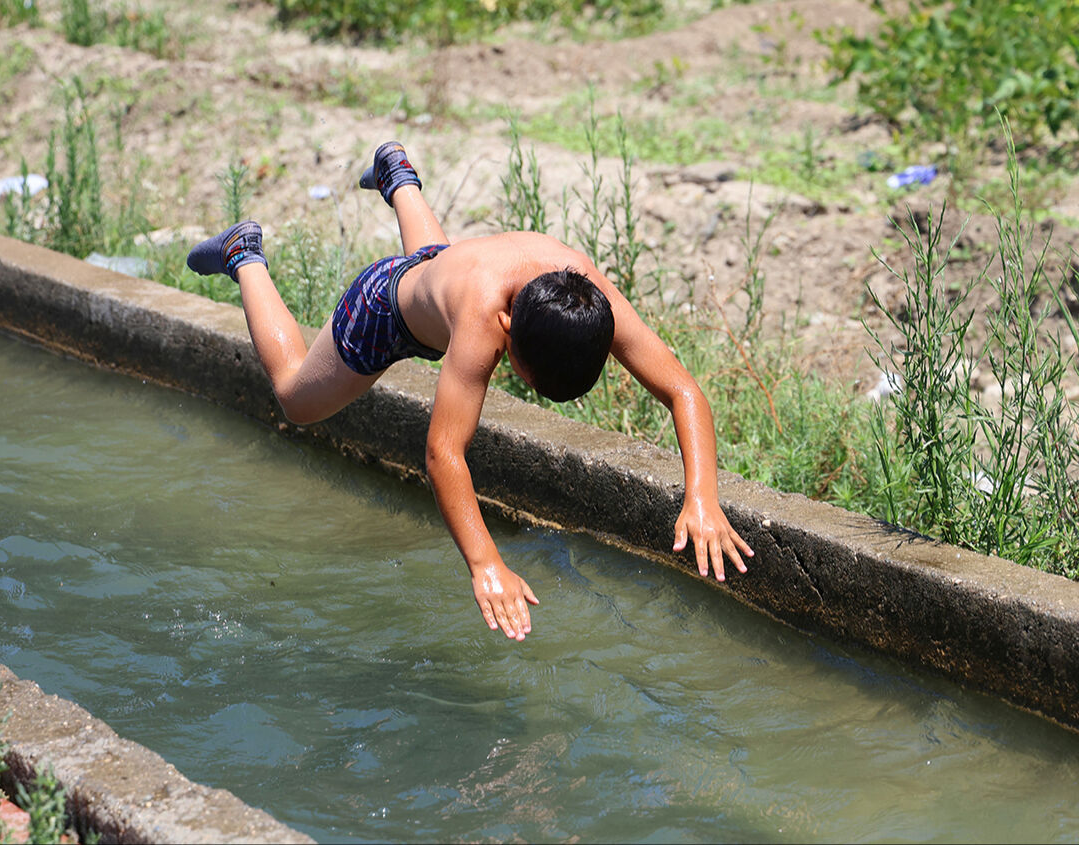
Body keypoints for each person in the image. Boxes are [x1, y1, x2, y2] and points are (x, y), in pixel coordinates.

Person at [187, 142, 753, 641]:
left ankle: (395, 173)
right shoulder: (483, 322)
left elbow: (682, 390)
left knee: (435, 265)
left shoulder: (586, 292)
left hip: (445, 271)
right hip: (385, 308)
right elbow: (443, 453)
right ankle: (244, 255)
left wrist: (702, 497)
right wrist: (486, 564)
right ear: (507, 330)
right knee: (295, 397)